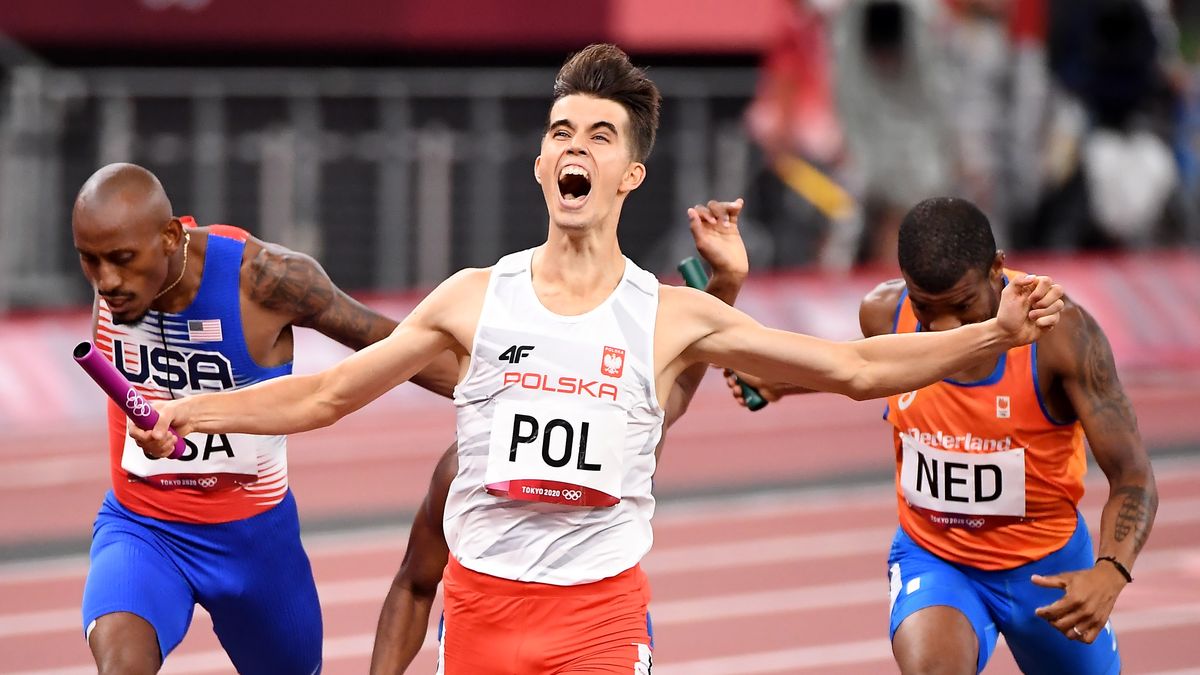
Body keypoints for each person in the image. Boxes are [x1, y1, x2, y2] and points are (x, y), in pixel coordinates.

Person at [131, 45, 1065, 674]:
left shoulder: (671, 314)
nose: (574, 148)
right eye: (560, 133)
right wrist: (197, 411)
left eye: (600, 136)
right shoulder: (472, 296)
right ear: (543, 166)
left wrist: (994, 336)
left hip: (601, 617)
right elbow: (331, 392)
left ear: (629, 176)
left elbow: (855, 370)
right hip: (486, 610)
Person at [726, 197, 1157, 674]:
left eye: (962, 305)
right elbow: (860, 367)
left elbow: (1132, 474)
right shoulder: (884, 313)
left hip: (1048, 569)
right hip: (937, 560)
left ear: (997, 270)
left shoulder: (1061, 336)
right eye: (925, 307)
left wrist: (1110, 571)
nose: (943, 327)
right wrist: (773, 382)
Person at [71, 162, 460, 675]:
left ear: (169, 237)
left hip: (254, 541)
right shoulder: (117, 279)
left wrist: (503, 391)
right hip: (144, 530)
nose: (107, 281)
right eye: (89, 261)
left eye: (121, 260)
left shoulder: (266, 279)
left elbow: (396, 347)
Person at [368, 197, 751, 674]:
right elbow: (414, 585)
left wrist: (726, 284)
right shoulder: (461, 471)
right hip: (482, 634)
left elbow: (672, 388)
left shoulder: (617, 434)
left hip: (600, 632)